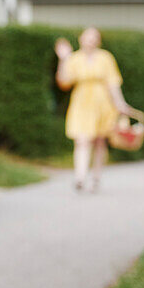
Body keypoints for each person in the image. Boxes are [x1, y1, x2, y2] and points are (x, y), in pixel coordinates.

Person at [55, 27, 132, 191]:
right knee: (82, 139)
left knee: (99, 141)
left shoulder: (106, 58)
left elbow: (113, 82)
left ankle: (96, 177)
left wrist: (120, 104)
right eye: (87, 37)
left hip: (102, 103)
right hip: (82, 103)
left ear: (98, 41)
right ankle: (80, 177)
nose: (90, 40)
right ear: (81, 39)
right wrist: (63, 59)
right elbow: (64, 82)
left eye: (94, 37)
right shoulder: (74, 59)